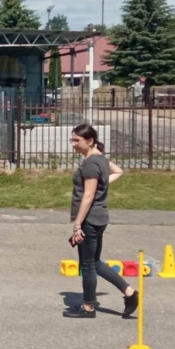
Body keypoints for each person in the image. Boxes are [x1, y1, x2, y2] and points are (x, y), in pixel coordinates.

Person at [64, 124, 138, 319]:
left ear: (90, 141)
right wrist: (101, 185)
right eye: (72, 140)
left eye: (76, 140)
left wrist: (77, 225)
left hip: (90, 219)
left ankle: (88, 307)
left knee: (87, 265)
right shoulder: (101, 159)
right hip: (99, 217)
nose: (73, 144)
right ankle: (130, 293)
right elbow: (118, 171)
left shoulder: (90, 163)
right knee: (94, 262)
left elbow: (88, 196)